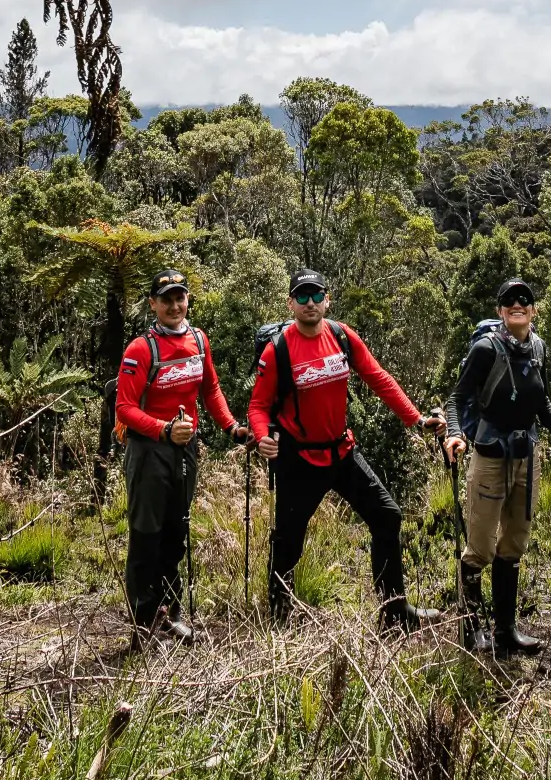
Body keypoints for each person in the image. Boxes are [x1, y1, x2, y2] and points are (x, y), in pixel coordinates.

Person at [250, 268, 448, 631]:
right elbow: (258, 406)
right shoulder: (277, 349)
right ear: (291, 302)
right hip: (298, 458)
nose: (310, 303)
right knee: (288, 540)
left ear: (327, 299)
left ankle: (394, 612)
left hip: (341, 450)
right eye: (302, 296)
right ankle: (278, 620)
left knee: (387, 516)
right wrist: (263, 436)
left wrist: (416, 420)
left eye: (316, 295)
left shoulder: (341, 336)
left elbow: (379, 378)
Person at [443, 278, 551, 658]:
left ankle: (506, 630)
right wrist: (456, 436)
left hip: (528, 456)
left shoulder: (539, 348)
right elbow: (457, 398)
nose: (517, 304)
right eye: (509, 300)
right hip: (490, 456)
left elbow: (542, 404)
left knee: (513, 545)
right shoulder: (484, 350)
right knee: (479, 547)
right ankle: (472, 630)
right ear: (500, 311)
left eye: (524, 299)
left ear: (534, 310)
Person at [115, 266, 248, 644]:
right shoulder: (141, 349)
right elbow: (124, 408)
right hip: (149, 450)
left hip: (185, 448)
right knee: (146, 535)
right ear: (153, 304)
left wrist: (231, 427)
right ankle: (143, 625)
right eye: (166, 299)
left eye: (180, 298)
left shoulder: (199, 341)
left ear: (187, 300)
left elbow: (211, 390)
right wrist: (163, 430)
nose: (175, 305)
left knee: (176, 533)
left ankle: (169, 614)